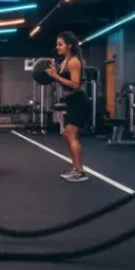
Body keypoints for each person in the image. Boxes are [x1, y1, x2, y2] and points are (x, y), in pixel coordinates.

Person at [46, 31, 89, 182]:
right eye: (57, 44)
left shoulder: (74, 62)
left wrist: (56, 76)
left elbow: (76, 85)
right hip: (72, 102)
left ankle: (80, 171)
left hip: (79, 101)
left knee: (71, 134)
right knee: (67, 134)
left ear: (69, 45)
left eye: (60, 44)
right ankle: (76, 168)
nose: (57, 47)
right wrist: (53, 72)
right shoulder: (65, 61)